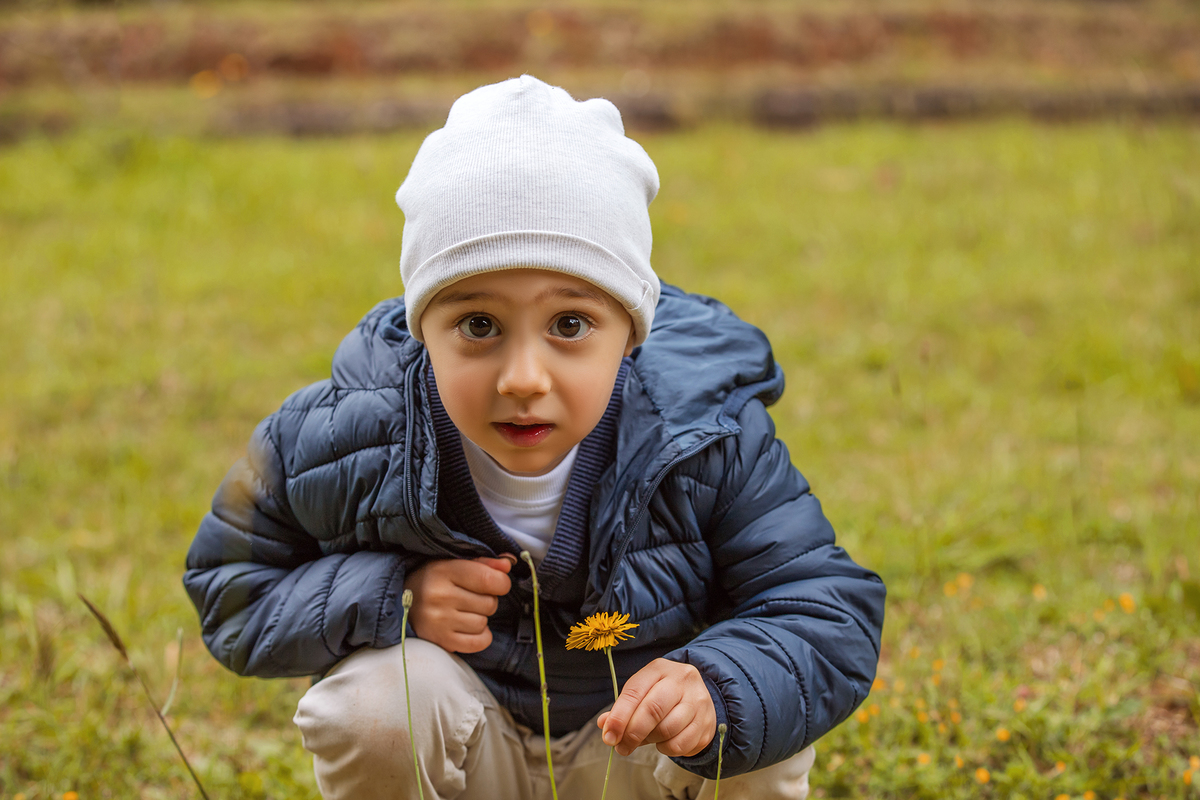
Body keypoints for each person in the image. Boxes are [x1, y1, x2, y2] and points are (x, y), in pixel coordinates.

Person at [183, 75, 885, 800]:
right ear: (422, 329)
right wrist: (394, 595)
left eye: (570, 325)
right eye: (478, 325)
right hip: (470, 754)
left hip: (635, 752)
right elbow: (227, 587)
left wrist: (718, 685)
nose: (523, 378)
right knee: (374, 706)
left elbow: (825, 604)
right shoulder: (340, 436)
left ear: (630, 334)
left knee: (753, 722)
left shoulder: (705, 436)